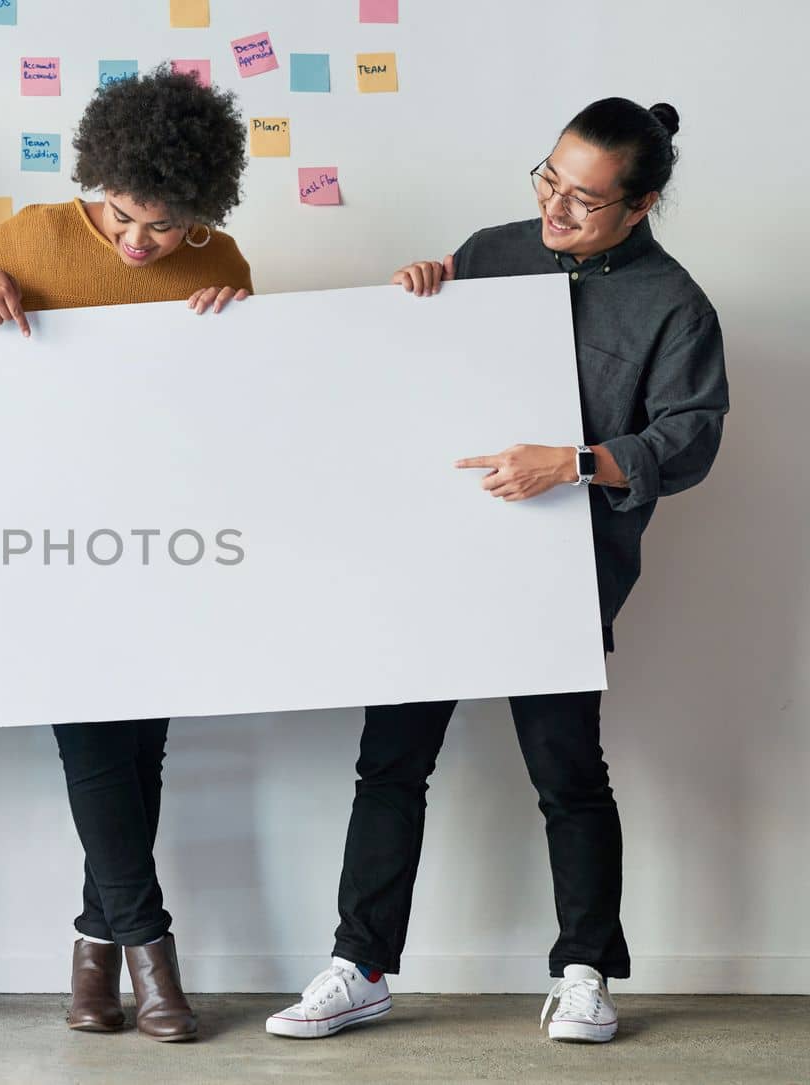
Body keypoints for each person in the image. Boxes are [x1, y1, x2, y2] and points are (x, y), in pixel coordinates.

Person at [266, 98, 727, 1046]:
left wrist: (578, 459)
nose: (556, 211)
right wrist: (426, 295)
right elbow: (421, 387)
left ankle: (585, 970)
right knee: (390, 762)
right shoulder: (491, 250)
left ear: (638, 207)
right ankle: (360, 964)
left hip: (561, 572)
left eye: (586, 201)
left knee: (568, 774)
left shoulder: (675, 304)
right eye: (549, 182)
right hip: (438, 563)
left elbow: (692, 439)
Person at [0, 66, 253, 1042]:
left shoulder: (215, 255)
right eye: (126, 219)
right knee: (97, 749)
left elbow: (230, 405)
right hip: (44, 541)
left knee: (139, 750)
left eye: (167, 227)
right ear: (97, 179)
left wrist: (239, 330)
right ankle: (152, 955)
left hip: (165, 542)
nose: (143, 243)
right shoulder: (35, 234)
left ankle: (92, 966)